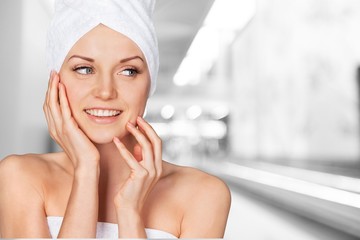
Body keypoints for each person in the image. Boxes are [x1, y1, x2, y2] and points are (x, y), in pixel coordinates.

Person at [0, 0, 231, 238]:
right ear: (55, 82)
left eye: (129, 71)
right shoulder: (21, 177)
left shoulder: (203, 195)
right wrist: (86, 170)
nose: (105, 91)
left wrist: (130, 213)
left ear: (149, 83)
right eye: (84, 69)